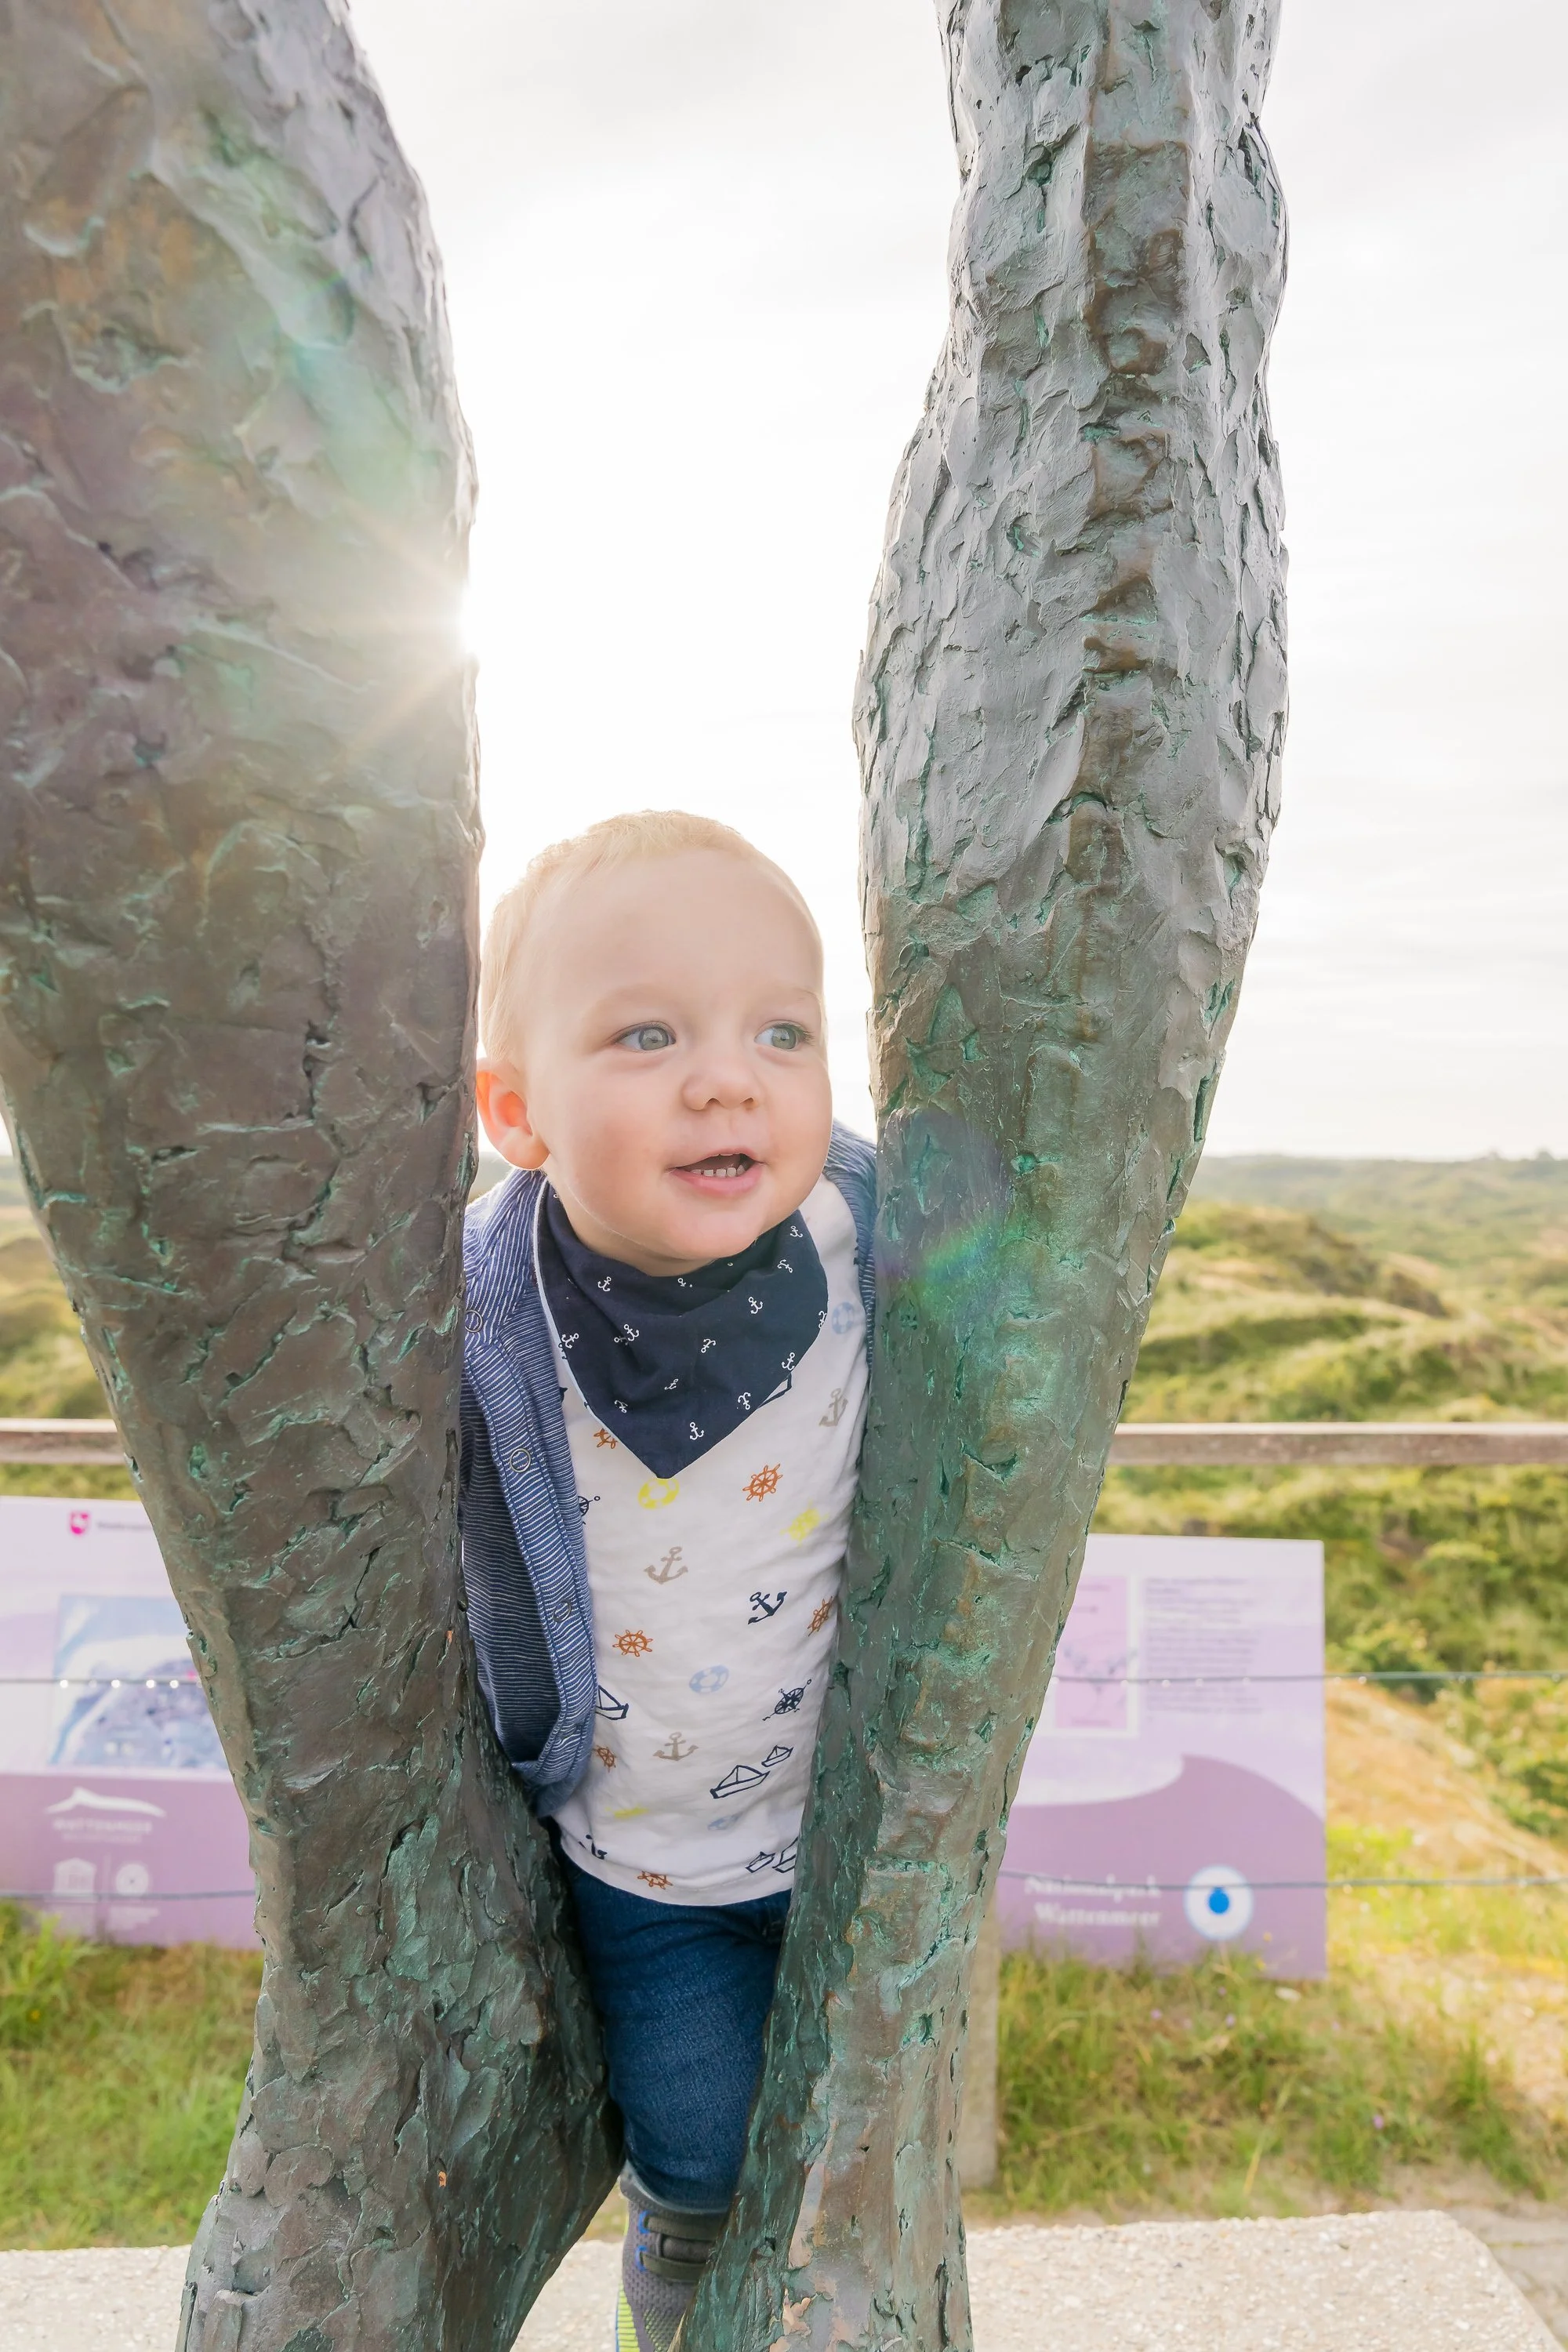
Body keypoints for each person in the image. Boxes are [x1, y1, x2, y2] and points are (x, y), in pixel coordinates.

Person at [460, 810, 873, 2352]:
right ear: (518, 1111)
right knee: (696, 2163)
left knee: (850, 2145)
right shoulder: (485, 1314)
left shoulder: (866, 1234)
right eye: (647, 1035)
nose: (728, 1076)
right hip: (651, 1862)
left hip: (853, 1824)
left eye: (782, 1030)